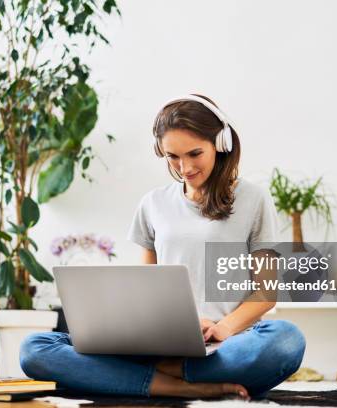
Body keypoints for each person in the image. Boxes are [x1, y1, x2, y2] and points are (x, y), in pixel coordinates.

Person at [19, 94, 306, 400]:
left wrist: (222, 329)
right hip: (157, 346)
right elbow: (146, 289)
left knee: (287, 340)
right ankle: (177, 385)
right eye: (173, 157)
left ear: (221, 143)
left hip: (225, 345)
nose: (185, 167)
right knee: (34, 349)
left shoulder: (253, 200)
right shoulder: (153, 204)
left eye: (195, 153)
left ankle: (144, 378)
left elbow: (266, 292)